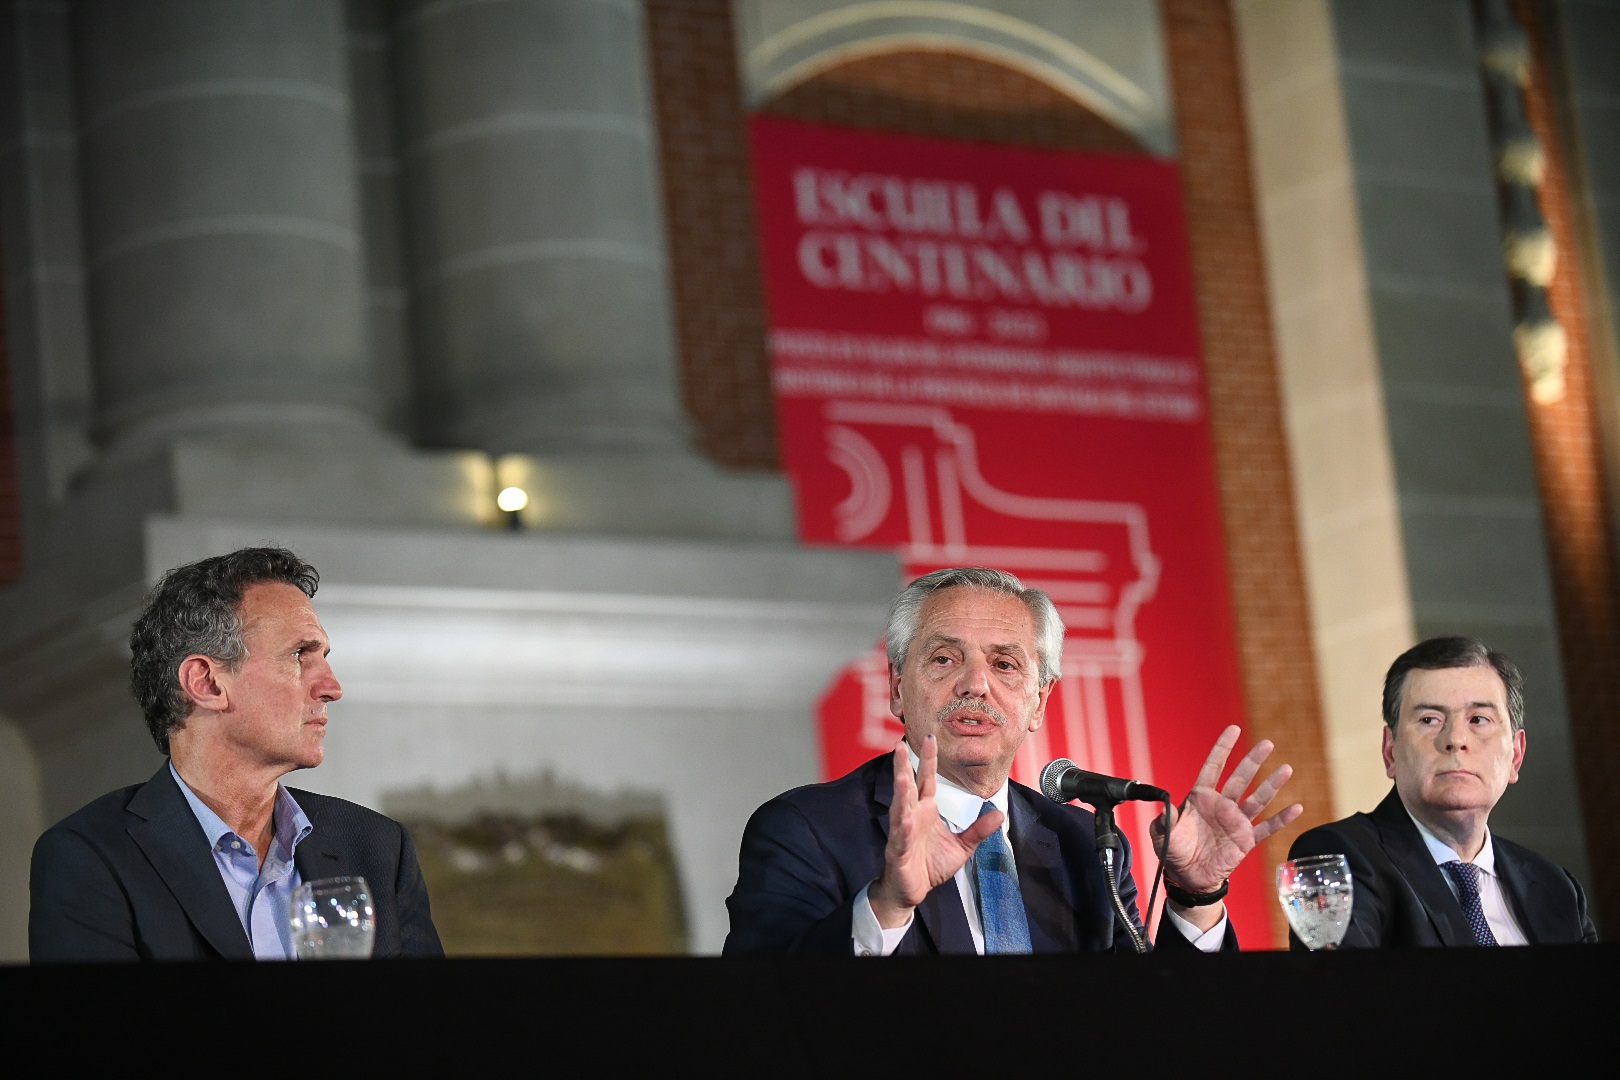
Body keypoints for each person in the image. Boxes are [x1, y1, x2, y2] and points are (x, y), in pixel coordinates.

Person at [723, 566, 1302, 955]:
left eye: (1005, 665)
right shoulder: (806, 829)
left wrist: (1194, 895)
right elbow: (763, 1009)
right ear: (897, 688)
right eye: (945, 659)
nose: (976, 684)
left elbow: (1160, 1024)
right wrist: (887, 904)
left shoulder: (1085, 841)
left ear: (1038, 702)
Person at [30, 547, 443, 961]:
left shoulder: (377, 847)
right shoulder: (90, 858)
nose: (332, 687)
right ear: (206, 683)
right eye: (300, 654)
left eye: (324, 658)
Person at [1288, 636, 1597, 947]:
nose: (1455, 740)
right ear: (1390, 750)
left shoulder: (1555, 886)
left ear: (1515, 755)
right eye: (1430, 720)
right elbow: (1338, 987)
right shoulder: (1338, 857)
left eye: (1479, 719)